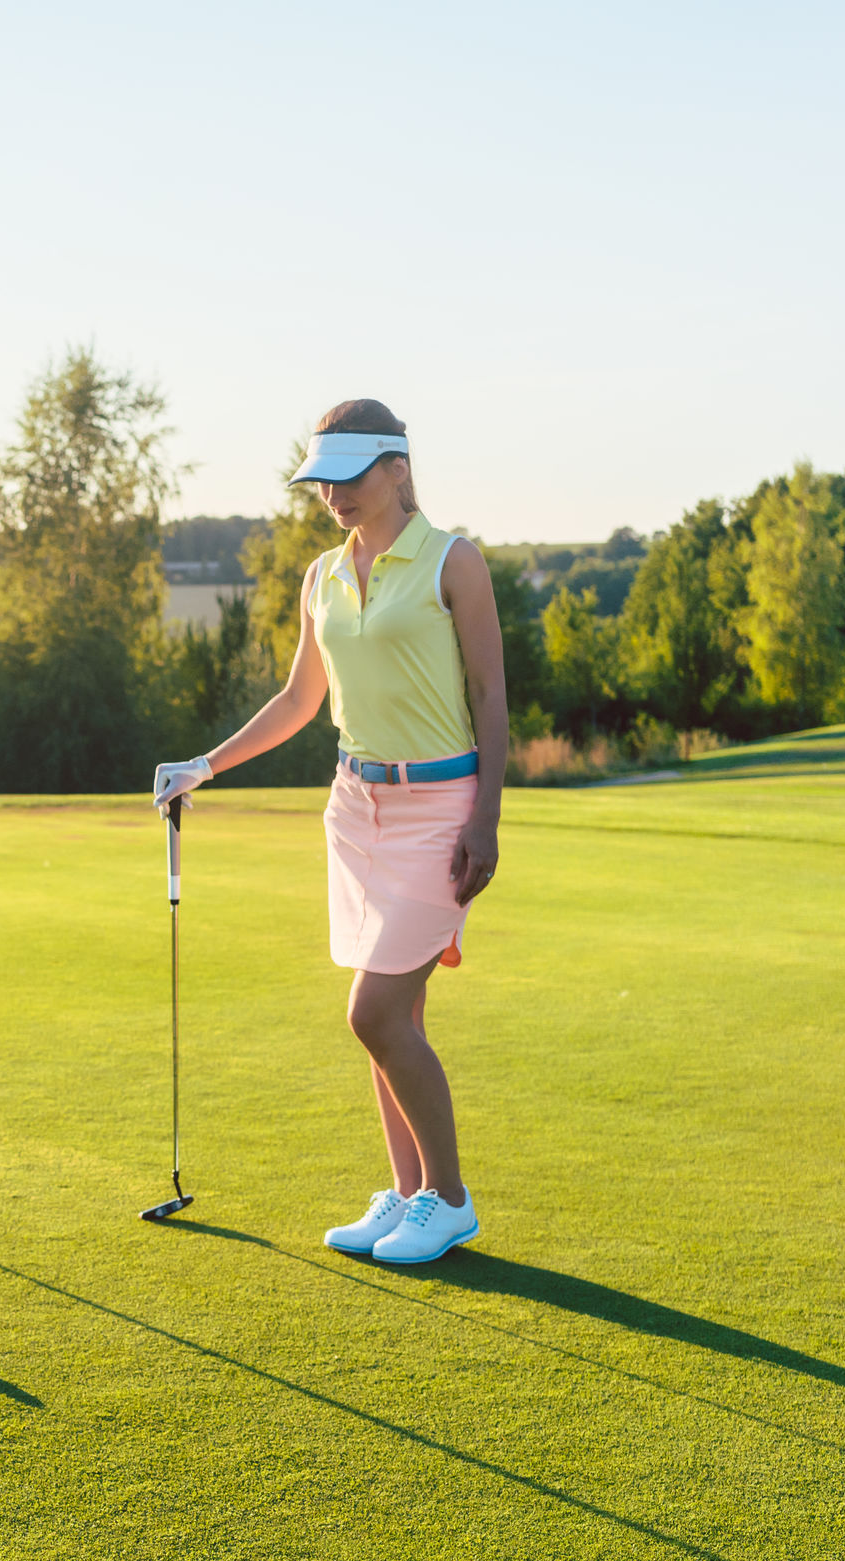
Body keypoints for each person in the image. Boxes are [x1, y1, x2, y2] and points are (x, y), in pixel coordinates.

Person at [153, 399, 506, 1265]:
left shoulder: (452, 562)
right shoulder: (322, 575)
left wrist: (488, 817)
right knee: (399, 1015)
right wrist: (205, 764)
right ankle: (408, 1192)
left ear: (397, 468)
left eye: (351, 477)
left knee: (375, 1013)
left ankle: (450, 1198)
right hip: (354, 810)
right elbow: (300, 702)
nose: (335, 495)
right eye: (323, 481)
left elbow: (493, 699)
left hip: (440, 808)